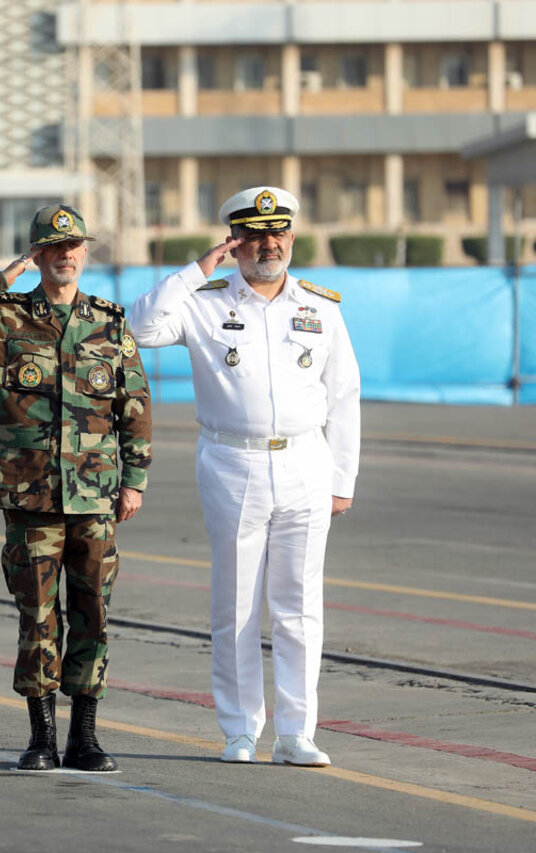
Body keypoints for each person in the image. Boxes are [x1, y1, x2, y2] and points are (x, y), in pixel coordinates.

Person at [130, 186, 360, 767]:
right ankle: (239, 730)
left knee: (299, 604)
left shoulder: (320, 306)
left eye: (277, 233)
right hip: (232, 461)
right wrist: (193, 270)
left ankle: (296, 732)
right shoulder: (204, 301)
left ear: (291, 237)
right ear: (234, 242)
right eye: (253, 235)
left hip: (306, 462)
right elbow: (137, 328)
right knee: (234, 603)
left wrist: (341, 479)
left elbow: (344, 397)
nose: (268, 244)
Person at [0, 204, 152, 772]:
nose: (65, 256)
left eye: (74, 247)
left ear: (84, 253)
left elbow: (135, 405)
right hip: (30, 497)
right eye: (52, 248)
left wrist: (135, 481)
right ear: (37, 255)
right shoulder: (4, 321)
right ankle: (42, 738)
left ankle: (87, 737)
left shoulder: (108, 321)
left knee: (93, 611)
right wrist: (5, 278)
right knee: (38, 615)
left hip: (95, 494)